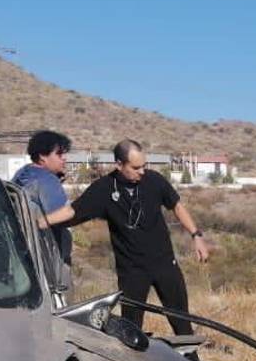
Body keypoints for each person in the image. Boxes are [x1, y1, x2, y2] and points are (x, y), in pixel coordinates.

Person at [71, 139, 209, 335]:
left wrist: (196, 235)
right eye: (136, 167)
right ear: (119, 165)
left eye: (144, 166)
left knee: (181, 321)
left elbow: (177, 206)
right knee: (132, 328)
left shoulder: (154, 180)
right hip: (132, 271)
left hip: (164, 263)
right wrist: (42, 222)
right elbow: (73, 213)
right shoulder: (104, 189)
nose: (142, 171)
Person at [12, 130, 76, 287]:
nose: (64, 158)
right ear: (42, 157)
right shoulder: (47, 180)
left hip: (22, 258)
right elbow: (65, 217)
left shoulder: (21, 175)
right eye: (59, 154)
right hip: (48, 262)